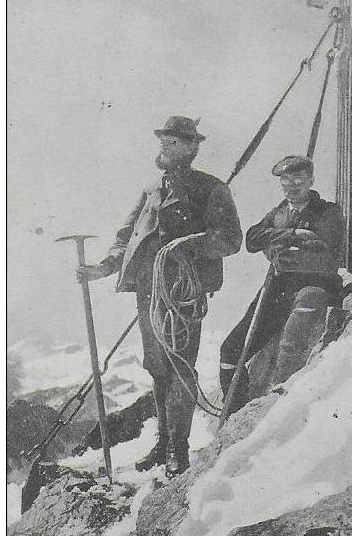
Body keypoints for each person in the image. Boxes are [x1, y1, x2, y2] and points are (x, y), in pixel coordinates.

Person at [77, 116, 242, 477]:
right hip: (149, 293)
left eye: (172, 144)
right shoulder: (152, 189)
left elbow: (231, 238)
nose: (164, 149)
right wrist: (102, 269)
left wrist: (190, 245)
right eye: (163, 142)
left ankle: (177, 451)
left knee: (180, 369)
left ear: (190, 148)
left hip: (183, 295)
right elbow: (127, 236)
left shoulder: (211, 189)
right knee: (157, 369)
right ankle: (163, 441)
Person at [220, 155, 345, 408]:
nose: (291, 185)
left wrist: (279, 249)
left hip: (315, 286)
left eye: (298, 179)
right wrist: (293, 234)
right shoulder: (279, 214)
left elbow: (326, 251)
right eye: (285, 181)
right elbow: (253, 239)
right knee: (231, 349)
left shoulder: (328, 212)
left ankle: (281, 408)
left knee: (291, 349)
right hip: (278, 290)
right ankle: (236, 411)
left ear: (311, 180)